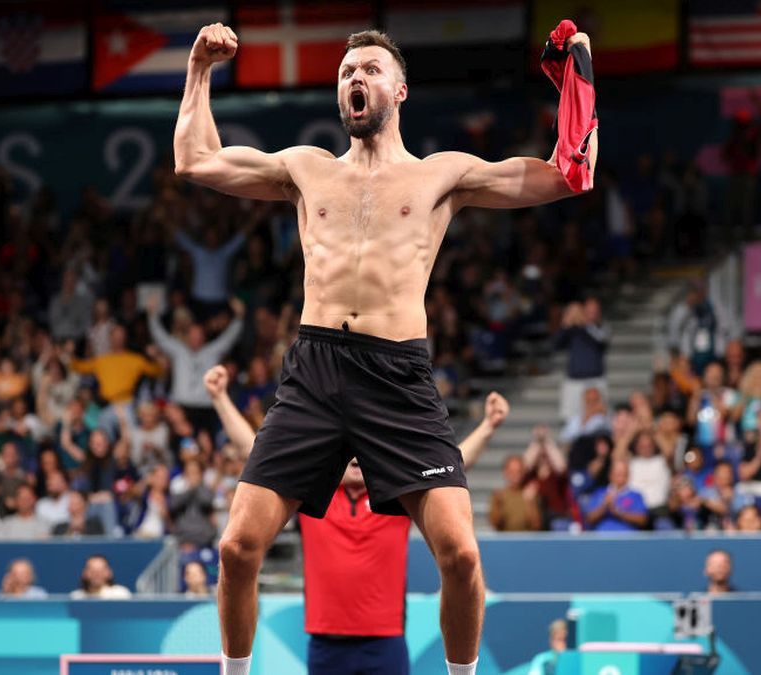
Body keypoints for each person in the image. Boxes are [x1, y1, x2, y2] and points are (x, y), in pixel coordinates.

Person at [177, 21, 596, 675]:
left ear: (400, 89)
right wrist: (198, 69)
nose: (355, 78)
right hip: (315, 369)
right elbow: (195, 161)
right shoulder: (305, 169)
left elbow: (568, 174)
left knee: (460, 555)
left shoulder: (441, 175)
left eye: (369, 69)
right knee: (236, 547)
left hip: (397, 374)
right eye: (346, 72)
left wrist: (578, 79)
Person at [204, 365, 509, 673]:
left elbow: (451, 469)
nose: (353, 456)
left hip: (386, 642)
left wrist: (487, 427)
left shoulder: (396, 498)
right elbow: (254, 452)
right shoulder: (312, 497)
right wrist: (219, 398)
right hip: (325, 643)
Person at [147, 295, 245, 438]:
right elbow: (160, 337)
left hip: (205, 410)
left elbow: (229, 338)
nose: (196, 338)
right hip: (181, 407)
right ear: (187, 337)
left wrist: (239, 317)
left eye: (199, 335)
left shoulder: (213, 351)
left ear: (203, 337)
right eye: (192, 335)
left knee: (206, 446)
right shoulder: (178, 350)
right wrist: (152, 316)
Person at [722, 88, 761, 238]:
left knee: (747, 208)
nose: (741, 126)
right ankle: (729, 238)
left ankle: (748, 239)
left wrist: (756, 102)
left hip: (748, 174)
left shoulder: (753, 134)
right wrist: (734, 156)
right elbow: (724, 156)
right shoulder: (733, 138)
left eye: (744, 123)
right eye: (739, 123)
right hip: (735, 175)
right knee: (730, 208)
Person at [556, 298, 610, 422]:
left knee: (599, 416)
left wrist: (584, 324)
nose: (593, 314)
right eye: (589, 311)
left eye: (595, 311)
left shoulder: (602, 327)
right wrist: (566, 324)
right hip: (574, 381)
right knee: (570, 417)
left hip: (595, 380)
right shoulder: (573, 330)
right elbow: (557, 344)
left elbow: (600, 341)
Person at [584, 460, 648, 532]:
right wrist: (604, 506)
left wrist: (618, 512)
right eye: (617, 474)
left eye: (623, 474)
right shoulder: (599, 493)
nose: (620, 477)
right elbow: (589, 519)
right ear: (610, 475)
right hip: (603, 538)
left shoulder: (636, 495)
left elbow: (642, 520)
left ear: (628, 476)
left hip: (627, 538)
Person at [490, 455, 542, 532]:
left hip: (527, 541)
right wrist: (499, 504)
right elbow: (495, 524)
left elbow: (536, 525)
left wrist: (531, 503)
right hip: (505, 541)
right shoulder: (499, 495)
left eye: (518, 471)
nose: (515, 475)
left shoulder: (531, 494)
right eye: (511, 472)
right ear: (505, 472)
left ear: (523, 472)